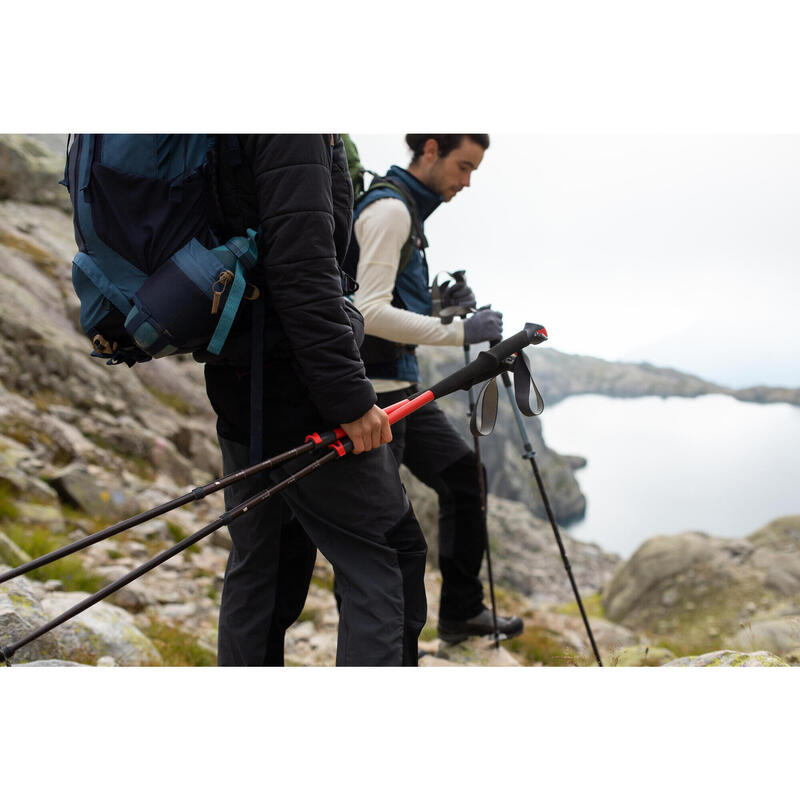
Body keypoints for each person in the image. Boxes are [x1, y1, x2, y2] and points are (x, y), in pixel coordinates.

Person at [199, 135, 428, 666]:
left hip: (236, 373)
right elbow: (302, 265)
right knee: (388, 556)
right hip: (301, 386)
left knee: (264, 564)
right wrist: (349, 397)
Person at [347, 133, 524, 644]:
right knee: (382, 532)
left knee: (467, 479)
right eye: (462, 166)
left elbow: (380, 299)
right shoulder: (390, 212)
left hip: (400, 388)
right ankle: (380, 647)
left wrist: (435, 307)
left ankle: (461, 614)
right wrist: (459, 332)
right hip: (372, 397)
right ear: (431, 150)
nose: (466, 182)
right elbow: (367, 312)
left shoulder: (407, 213)